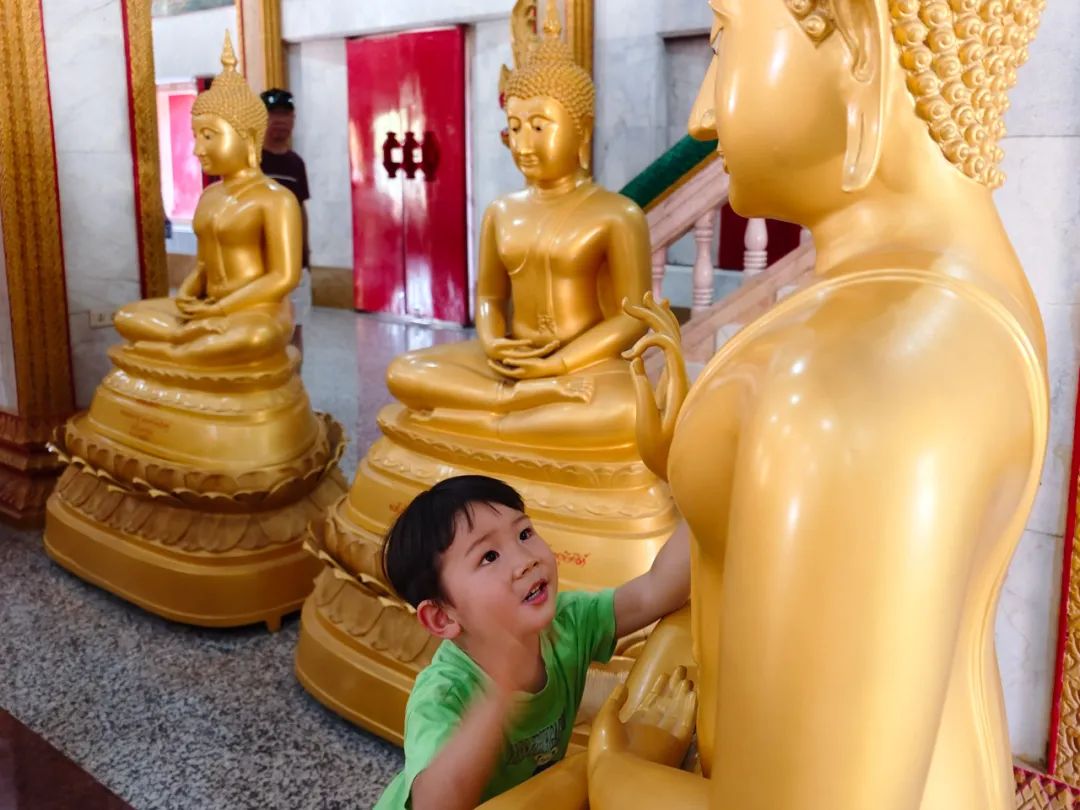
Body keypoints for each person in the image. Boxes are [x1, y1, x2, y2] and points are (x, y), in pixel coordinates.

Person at [373, 475, 692, 810]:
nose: (526, 560)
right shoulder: (443, 695)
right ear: (442, 618)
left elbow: (653, 592)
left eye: (524, 533)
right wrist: (500, 694)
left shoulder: (567, 624)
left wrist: (708, 497)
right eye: (489, 556)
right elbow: (435, 805)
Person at [259, 87, 311, 359]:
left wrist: (305, 254)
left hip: (293, 263)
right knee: (264, 331)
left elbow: (300, 208)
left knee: (294, 329)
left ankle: (294, 382)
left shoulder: (295, 164)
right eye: (273, 114)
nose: (280, 121)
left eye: (285, 114)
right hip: (260, 266)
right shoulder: (251, 162)